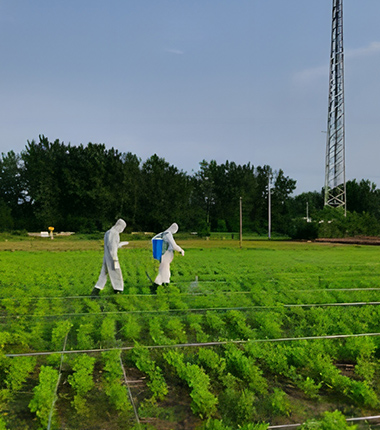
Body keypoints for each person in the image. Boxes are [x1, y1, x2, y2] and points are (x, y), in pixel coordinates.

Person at [91, 219, 128, 296]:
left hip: (107, 257)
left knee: (103, 274)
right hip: (112, 258)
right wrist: (115, 259)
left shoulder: (108, 232)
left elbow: (110, 245)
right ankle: (118, 291)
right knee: (117, 273)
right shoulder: (114, 234)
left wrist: (120, 244)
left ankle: (95, 291)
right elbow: (112, 248)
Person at [151, 223, 185, 293]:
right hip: (165, 256)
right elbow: (174, 245)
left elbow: (152, 239)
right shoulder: (168, 234)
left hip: (161, 256)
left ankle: (154, 288)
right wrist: (181, 250)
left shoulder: (162, 234)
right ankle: (166, 288)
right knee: (166, 272)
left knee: (161, 272)